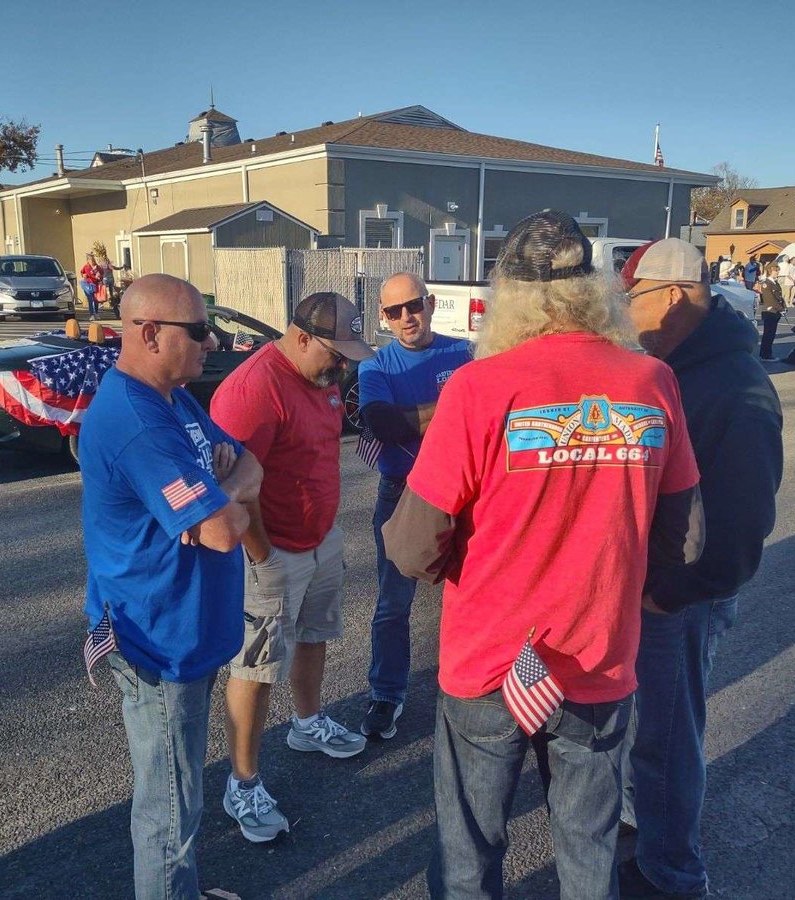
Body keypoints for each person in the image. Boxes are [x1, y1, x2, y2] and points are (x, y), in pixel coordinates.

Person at [384, 210, 705, 900]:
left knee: (470, 848)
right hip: (599, 651)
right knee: (588, 847)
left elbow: (412, 545)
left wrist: (459, 566)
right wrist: (629, 591)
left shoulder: (478, 388)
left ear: (510, 295)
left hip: (488, 656)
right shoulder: (651, 382)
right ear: (594, 288)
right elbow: (686, 536)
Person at [79, 274, 264, 900]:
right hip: (156, 638)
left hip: (189, 627)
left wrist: (221, 493)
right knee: (169, 804)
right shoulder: (136, 419)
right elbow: (221, 533)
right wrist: (221, 500)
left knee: (181, 787)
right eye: (199, 330)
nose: (212, 341)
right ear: (149, 333)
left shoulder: (174, 401)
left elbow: (251, 466)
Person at [618, 238, 783, 900]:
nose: (627, 315)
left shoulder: (732, 383)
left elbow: (745, 517)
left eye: (634, 300)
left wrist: (676, 591)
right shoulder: (685, 369)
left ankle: (673, 876)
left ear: (676, 296)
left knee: (667, 740)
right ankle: (648, 824)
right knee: (652, 733)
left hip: (681, 597)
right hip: (667, 587)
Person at [209, 292, 375, 843]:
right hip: (272, 550)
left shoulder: (320, 378)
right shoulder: (253, 390)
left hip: (320, 538)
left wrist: (325, 530)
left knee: (314, 635)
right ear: (300, 336)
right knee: (255, 668)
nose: (344, 366)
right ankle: (243, 780)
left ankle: (306, 724)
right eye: (336, 352)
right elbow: (230, 491)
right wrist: (260, 553)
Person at [356, 273, 472, 741]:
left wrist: (418, 418)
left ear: (431, 302)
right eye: (393, 311)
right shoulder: (375, 364)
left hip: (465, 490)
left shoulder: (462, 352)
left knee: (474, 595)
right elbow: (381, 422)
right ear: (384, 318)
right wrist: (455, 405)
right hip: (402, 492)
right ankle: (386, 693)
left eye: (414, 305)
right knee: (392, 604)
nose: (407, 317)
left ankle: (475, 691)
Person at [756, 263, 786, 360]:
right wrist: (780, 308)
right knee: (768, 335)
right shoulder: (766, 283)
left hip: (775, 312)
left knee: (771, 335)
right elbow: (770, 299)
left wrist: (784, 306)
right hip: (770, 311)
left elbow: (779, 297)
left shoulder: (775, 283)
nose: (777, 272)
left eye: (778, 270)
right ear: (770, 271)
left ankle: (767, 353)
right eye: (776, 270)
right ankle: (765, 355)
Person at [80, 252, 102, 318]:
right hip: (88, 285)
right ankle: (92, 314)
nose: (92, 261)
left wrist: (100, 277)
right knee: (90, 299)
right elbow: (83, 273)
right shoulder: (86, 267)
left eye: (93, 260)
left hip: (95, 285)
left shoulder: (97, 267)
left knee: (96, 300)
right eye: (91, 260)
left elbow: (102, 273)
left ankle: (96, 313)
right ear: (88, 261)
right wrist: (84, 275)